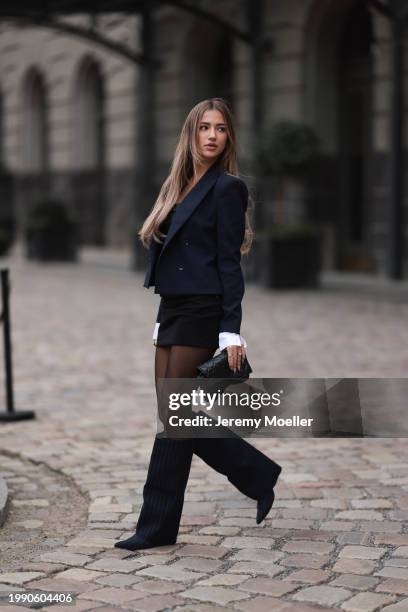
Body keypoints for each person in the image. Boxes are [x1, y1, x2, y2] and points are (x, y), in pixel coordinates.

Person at [114, 98, 282, 551]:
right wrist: (160, 318)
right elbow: (170, 256)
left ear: (229, 138)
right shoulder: (178, 184)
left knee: (173, 420)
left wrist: (231, 329)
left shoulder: (227, 188)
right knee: (177, 415)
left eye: (221, 129)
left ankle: (156, 527)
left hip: (204, 310)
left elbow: (230, 263)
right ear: (190, 134)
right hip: (173, 309)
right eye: (204, 127)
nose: (212, 135)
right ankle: (258, 474)